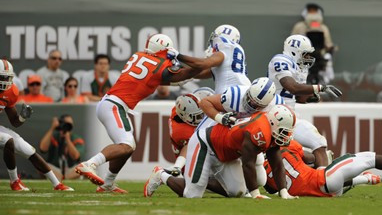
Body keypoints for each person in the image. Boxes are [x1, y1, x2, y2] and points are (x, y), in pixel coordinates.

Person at [75, 34, 200, 193]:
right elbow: (183, 74)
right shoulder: (159, 63)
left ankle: (108, 183)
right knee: (126, 145)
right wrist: (193, 62)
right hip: (115, 105)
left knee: (127, 146)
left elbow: (169, 77)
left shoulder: (139, 56)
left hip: (110, 103)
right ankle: (89, 164)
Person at [144, 105, 300, 200]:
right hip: (206, 144)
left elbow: (276, 162)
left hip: (227, 153)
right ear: (273, 123)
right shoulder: (258, 131)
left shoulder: (270, 130)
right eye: (284, 131)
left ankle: (201, 182)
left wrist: (283, 192)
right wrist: (255, 194)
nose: (286, 135)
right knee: (192, 195)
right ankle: (161, 175)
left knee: (236, 192)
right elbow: (247, 164)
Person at [268, 35, 342, 167]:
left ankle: (323, 181)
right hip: (274, 117)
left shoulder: (301, 67)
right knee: (290, 152)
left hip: (291, 117)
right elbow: (292, 87)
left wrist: (313, 96)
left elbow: (299, 97)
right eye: (305, 54)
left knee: (319, 143)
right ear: (294, 51)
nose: (308, 58)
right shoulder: (280, 60)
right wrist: (320, 88)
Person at [0, 60, 73, 191]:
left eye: (7, 77)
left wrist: (22, 117)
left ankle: (57, 184)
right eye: (2, 77)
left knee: (26, 148)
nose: (5, 80)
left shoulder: (10, 92)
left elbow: (14, 122)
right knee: (8, 140)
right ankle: (15, 182)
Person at [264, 141, 382, 197]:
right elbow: (312, 158)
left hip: (321, 194)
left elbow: (271, 190)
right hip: (323, 180)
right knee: (367, 157)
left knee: (334, 180)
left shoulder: (263, 169)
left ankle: (364, 179)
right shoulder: (288, 145)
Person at [174, 24, 252, 95]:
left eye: (215, 38)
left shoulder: (225, 50)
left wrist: (178, 55)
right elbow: (205, 72)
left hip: (231, 92)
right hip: (243, 90)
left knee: (205, 102)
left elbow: (202, 64)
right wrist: (183, 73)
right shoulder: (231, 56)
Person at [39, 114, 85, 180]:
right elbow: (42, 149)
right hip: (56, 169)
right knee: (42, 165)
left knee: (84, 166)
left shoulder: (76, 139)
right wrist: (52, 128)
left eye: (70, 124)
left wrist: (67, 139)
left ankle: (64, 178)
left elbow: (76, 157)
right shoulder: (54, 137)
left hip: (71, 170)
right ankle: (61, 178)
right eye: (66, 124)